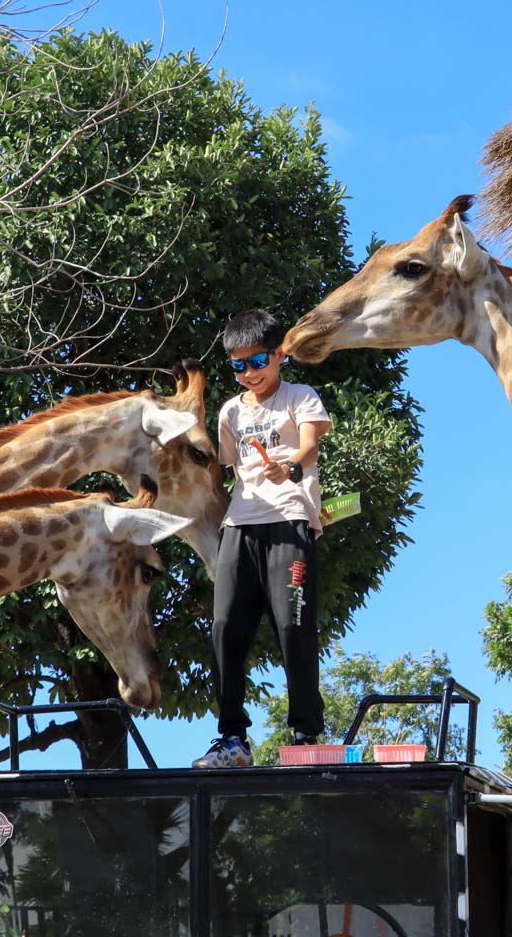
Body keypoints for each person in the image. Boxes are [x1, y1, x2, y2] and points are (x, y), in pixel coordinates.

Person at [193, 309, 332, 769]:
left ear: (278, 355)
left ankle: (305, 735)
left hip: (290, 519)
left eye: (256, 361)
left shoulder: (300, 396)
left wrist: (288, 466)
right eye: (237, 365)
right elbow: (231, 472)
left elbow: (310, 447)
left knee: (293, 626)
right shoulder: (230, 412)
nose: (248, 373)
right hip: (240, 526)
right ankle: (233, 739)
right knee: (225, 629)